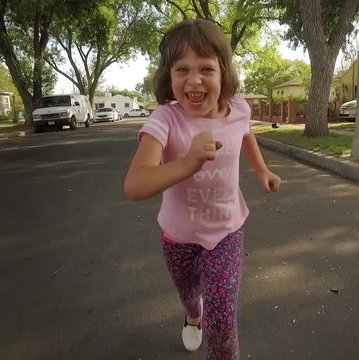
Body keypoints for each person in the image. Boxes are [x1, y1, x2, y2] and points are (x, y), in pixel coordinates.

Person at [123, 18, 281, 359]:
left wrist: (263, 170)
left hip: (227, 231)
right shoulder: (166, 120)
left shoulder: (238, 108)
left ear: (223, 73)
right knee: (189, 293)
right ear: (169, 77)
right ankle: (193, 314)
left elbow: (246, 134)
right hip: (178, 238)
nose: (194, 80)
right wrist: (187, 163)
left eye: (206, 68)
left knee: (223, 323)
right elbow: (135, 185)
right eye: (182, 70)